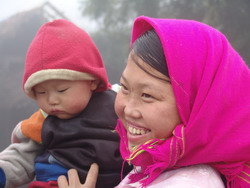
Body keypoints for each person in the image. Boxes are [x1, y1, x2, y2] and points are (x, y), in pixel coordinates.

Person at [58, 16, 250, 188]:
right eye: (124, 87)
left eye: (147, 95)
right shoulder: (157, 163)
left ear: (198, 106)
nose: (129, 110)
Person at [0, 19, 131, 188]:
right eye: (41, 92)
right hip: (55, 181)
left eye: (61, 90)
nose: (52, 100)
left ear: (91, 81)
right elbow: (22, 156)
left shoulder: (118, 103)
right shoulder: (43, 120)